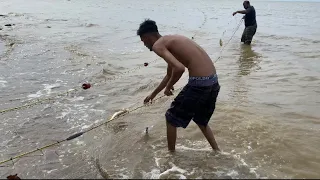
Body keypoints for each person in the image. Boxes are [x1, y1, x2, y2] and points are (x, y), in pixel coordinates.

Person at [137, 19, 220, 152]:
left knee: (170, 118)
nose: (144, 44)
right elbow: (170, 74)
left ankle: (171, 156)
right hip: (213, 82)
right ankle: (217, 151)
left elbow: (179, 68)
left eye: (143, 41)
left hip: (199, 83)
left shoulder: (158, 45)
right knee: (201, 120)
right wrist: (153, 94)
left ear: (147, 36)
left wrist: (169, 87)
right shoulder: (170, 41)